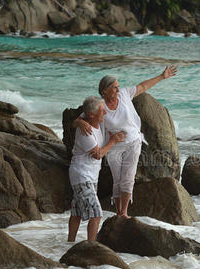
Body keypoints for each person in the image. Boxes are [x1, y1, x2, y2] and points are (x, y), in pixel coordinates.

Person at [73, 65, 178, 218]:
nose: (117, 89)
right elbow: (81, 118)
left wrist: (162, 76)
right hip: (114, 146)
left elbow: (143, 86)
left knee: (129, 177)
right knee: (118, 179)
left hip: (134, 142)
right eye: (114, 87)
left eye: (118, 86)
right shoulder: (100, 105)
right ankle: (118, 211)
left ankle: (124, 213)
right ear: (104, 91)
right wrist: (80, 123)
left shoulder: (124, 94)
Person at [68, 96, 126, 242]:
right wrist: (113, 141)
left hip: (88, 175)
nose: (105, 113)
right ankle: (91, 246)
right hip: (82, 175)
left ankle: (69, 243)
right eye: (102, 111)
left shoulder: (93, 122)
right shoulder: (85, 132)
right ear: (92, 115)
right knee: (96, 214)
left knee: (77, 212)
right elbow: (97, 154)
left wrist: (78, 121)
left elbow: (79, 117)